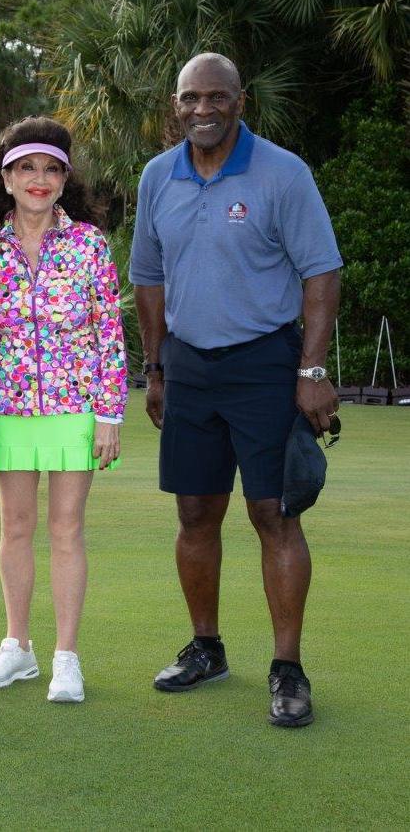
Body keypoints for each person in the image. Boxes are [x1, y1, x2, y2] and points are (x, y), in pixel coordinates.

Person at [129, 53, 342, 727]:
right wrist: (156, 368)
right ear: (175, 104)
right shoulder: (157, 175)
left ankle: (286, 666)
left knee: (274, 514)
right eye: (189, 98)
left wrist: (310, 370)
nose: (202, 110)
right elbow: (147, 279)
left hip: (265, 364)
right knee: (194, 512)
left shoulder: (282, 172)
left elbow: (321, 273)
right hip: (188, 367)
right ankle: (206, 647)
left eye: (215, 97)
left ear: (238, 101)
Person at [0, 117, 128, 703]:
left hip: (76, 405)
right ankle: (18, 648)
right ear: (5, 178)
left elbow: (110, 331)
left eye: (51, 169)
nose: (39, 179)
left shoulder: (89, 244)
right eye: (27, 168)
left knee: (66, 530)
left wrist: (110, 413)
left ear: (64, 180)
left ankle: (65, 656)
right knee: (14, 527)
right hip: (7, 403)